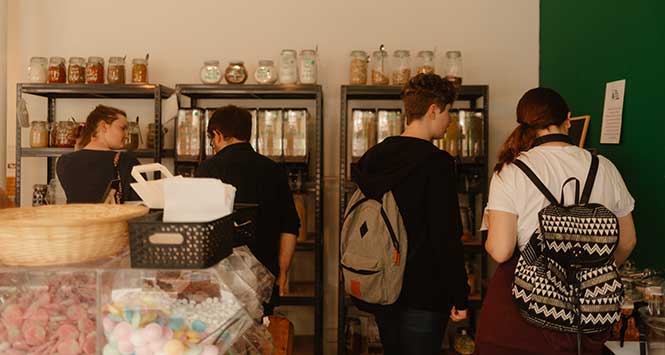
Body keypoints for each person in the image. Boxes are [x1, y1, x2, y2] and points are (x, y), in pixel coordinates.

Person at [476, 87, 637, 355]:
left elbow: (501, 250)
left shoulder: (511, 171)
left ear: (525, 126)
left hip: (527, 304)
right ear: (568, 120)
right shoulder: (604, 167)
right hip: (588, 310)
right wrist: (587, 273)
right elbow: (628, 241)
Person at [351, 73, 469, 355]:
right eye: (449, 112)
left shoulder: (373, 157)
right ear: (433, 110)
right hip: (425, 293)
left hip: (381, 286)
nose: (449, 120)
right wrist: (460, 295)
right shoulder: (437, 163)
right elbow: (446, 236)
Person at [195, 105, 300, 315]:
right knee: (260, 337)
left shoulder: (208, 168)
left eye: (211, 138)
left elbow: (197, 225)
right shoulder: (273, 169)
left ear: (217, 135)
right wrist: (282, 273)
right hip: (264, 277)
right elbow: (290, 226)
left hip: (219, 278)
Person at [57, 105, 141, 204]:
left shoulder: (64, 162)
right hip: (114, 220)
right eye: (122, 128)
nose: (127, 135)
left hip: (76, 219)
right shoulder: (127, 162)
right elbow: (138, 208)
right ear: (103, 126)